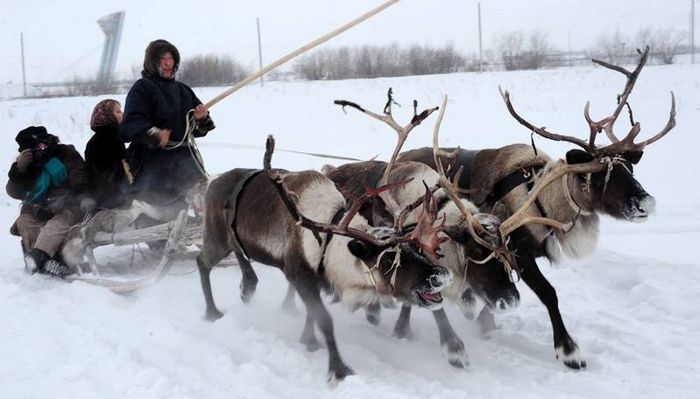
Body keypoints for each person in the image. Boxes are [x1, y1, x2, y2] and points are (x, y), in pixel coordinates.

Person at [119, 39, 215, 205]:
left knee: (200, 208)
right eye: (163, 59)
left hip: (184, 163)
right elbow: (130, 124)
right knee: (155, 213)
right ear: (152, 62)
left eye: (171, 58)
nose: (168, 63)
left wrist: (201, 119)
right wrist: (153, 134)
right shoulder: (142, 88)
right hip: (151, 164)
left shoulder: (183, 90)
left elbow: (197, 130)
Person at [7, 126, 95, 276]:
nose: (42, 149)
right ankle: (45, 262)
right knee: (25, 222)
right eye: (36, 148)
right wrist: (19, 171)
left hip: (67, 202)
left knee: (57, 223)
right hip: (36, 207)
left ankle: (41, 256)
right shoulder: (26, 165)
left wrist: (82, 196)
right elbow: (14, 192)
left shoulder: (65, 153)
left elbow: (78, 174)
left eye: (43, 144)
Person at [84, 99, 126, 209]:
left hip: (102, 196)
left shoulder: (104, 137)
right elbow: (110, 174)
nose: (123, 114)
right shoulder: (109, 139)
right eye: (118, 111)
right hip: (110, 198)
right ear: (108, 117)